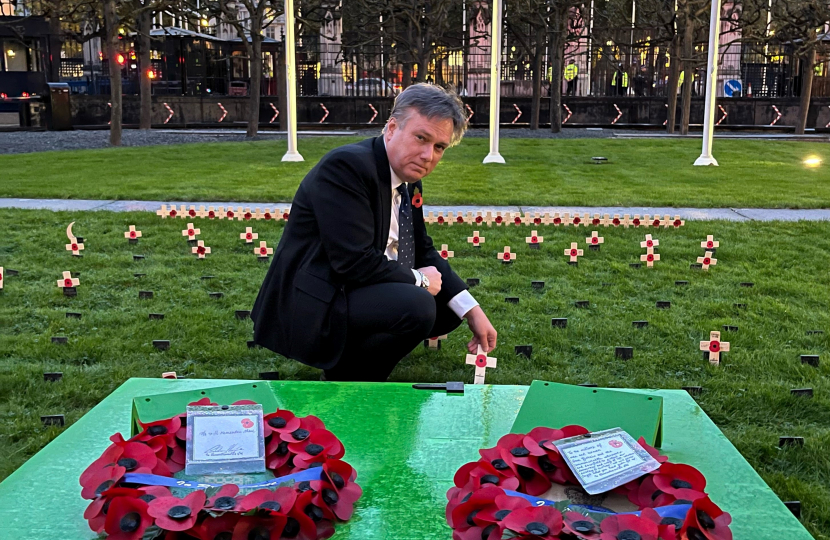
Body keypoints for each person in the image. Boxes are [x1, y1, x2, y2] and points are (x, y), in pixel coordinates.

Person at [251, 83, 498, 382]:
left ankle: (354, 366)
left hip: (357, 287)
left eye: (439, 147)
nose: (427, 155)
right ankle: (352, 377)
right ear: (392, 128)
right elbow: (352, 261)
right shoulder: (346, 167)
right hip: (317, 300)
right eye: (421, 138)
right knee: (419, 304)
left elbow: (422, 248)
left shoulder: (407, 177)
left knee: (447, 307)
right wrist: (421, 280)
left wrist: (471, 309)